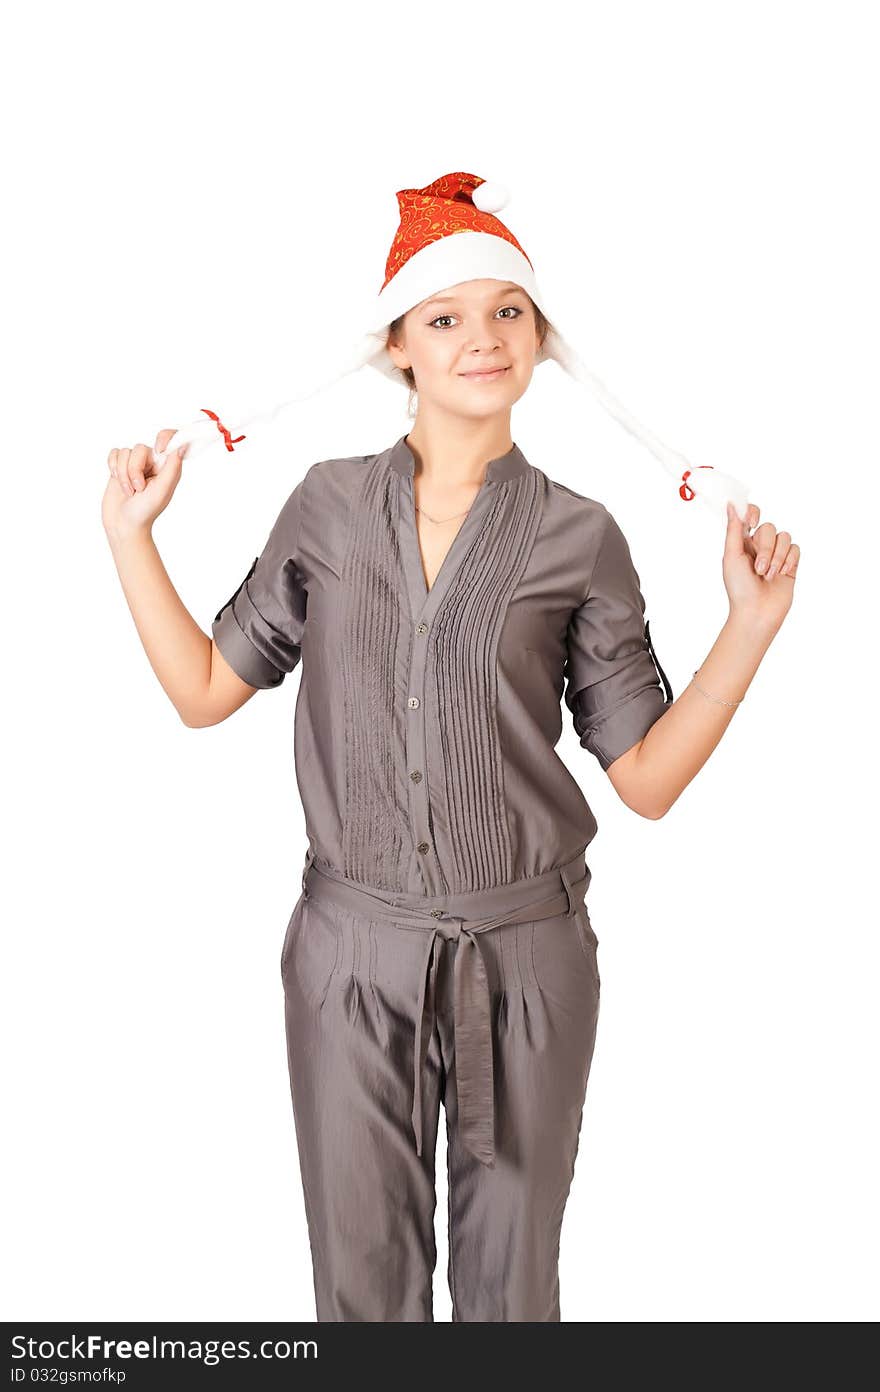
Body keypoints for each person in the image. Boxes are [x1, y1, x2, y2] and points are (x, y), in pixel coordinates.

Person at [101, 173, 799, 1322]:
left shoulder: (581, 537)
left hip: (524, 962)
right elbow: (204, 691)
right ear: (396, 347)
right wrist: (131, 540)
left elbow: (647, 781)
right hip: (347, 956)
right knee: (359, 1291)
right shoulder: (323, 510)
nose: (482, 338)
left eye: (507, 312)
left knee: (509, 1293)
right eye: (446, 317)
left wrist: (750, 628)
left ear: (542, 336)